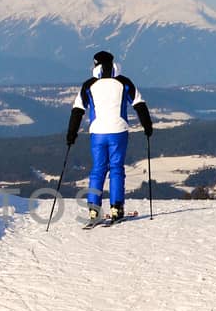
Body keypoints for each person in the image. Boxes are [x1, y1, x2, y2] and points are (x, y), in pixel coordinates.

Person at [65, 50, 153, 227]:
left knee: (97, 169)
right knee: (116, 169)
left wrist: (71, 134)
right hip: (118, 132)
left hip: (97, 133)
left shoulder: (89, 85)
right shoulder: (124, 83)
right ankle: (116, 209)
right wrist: (147, 126)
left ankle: (93, 210)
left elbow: (77, 110)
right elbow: (139, 104)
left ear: (95, 65)